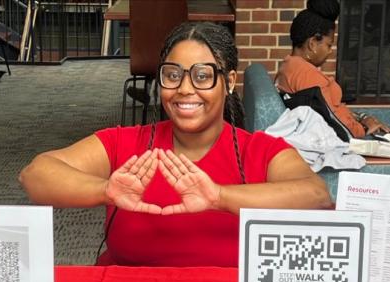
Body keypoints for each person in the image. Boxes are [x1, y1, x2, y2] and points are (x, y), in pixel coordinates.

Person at [19, 22, 331, 267]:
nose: (184, 89)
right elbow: (35, 174)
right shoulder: (127, 143)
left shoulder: (260, 151)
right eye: (172, 75)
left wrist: (219, 197)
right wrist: (104, 191)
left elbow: (317, 196)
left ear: (230, 81)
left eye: (202, 76)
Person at [275, 0, 390, 138]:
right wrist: (365, 128)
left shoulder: (288, 66)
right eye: (329, 45)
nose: (330, 51)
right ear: (312, 44)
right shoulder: (309, 77)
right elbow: (341, 129)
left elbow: (331, 111)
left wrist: (363, 118)